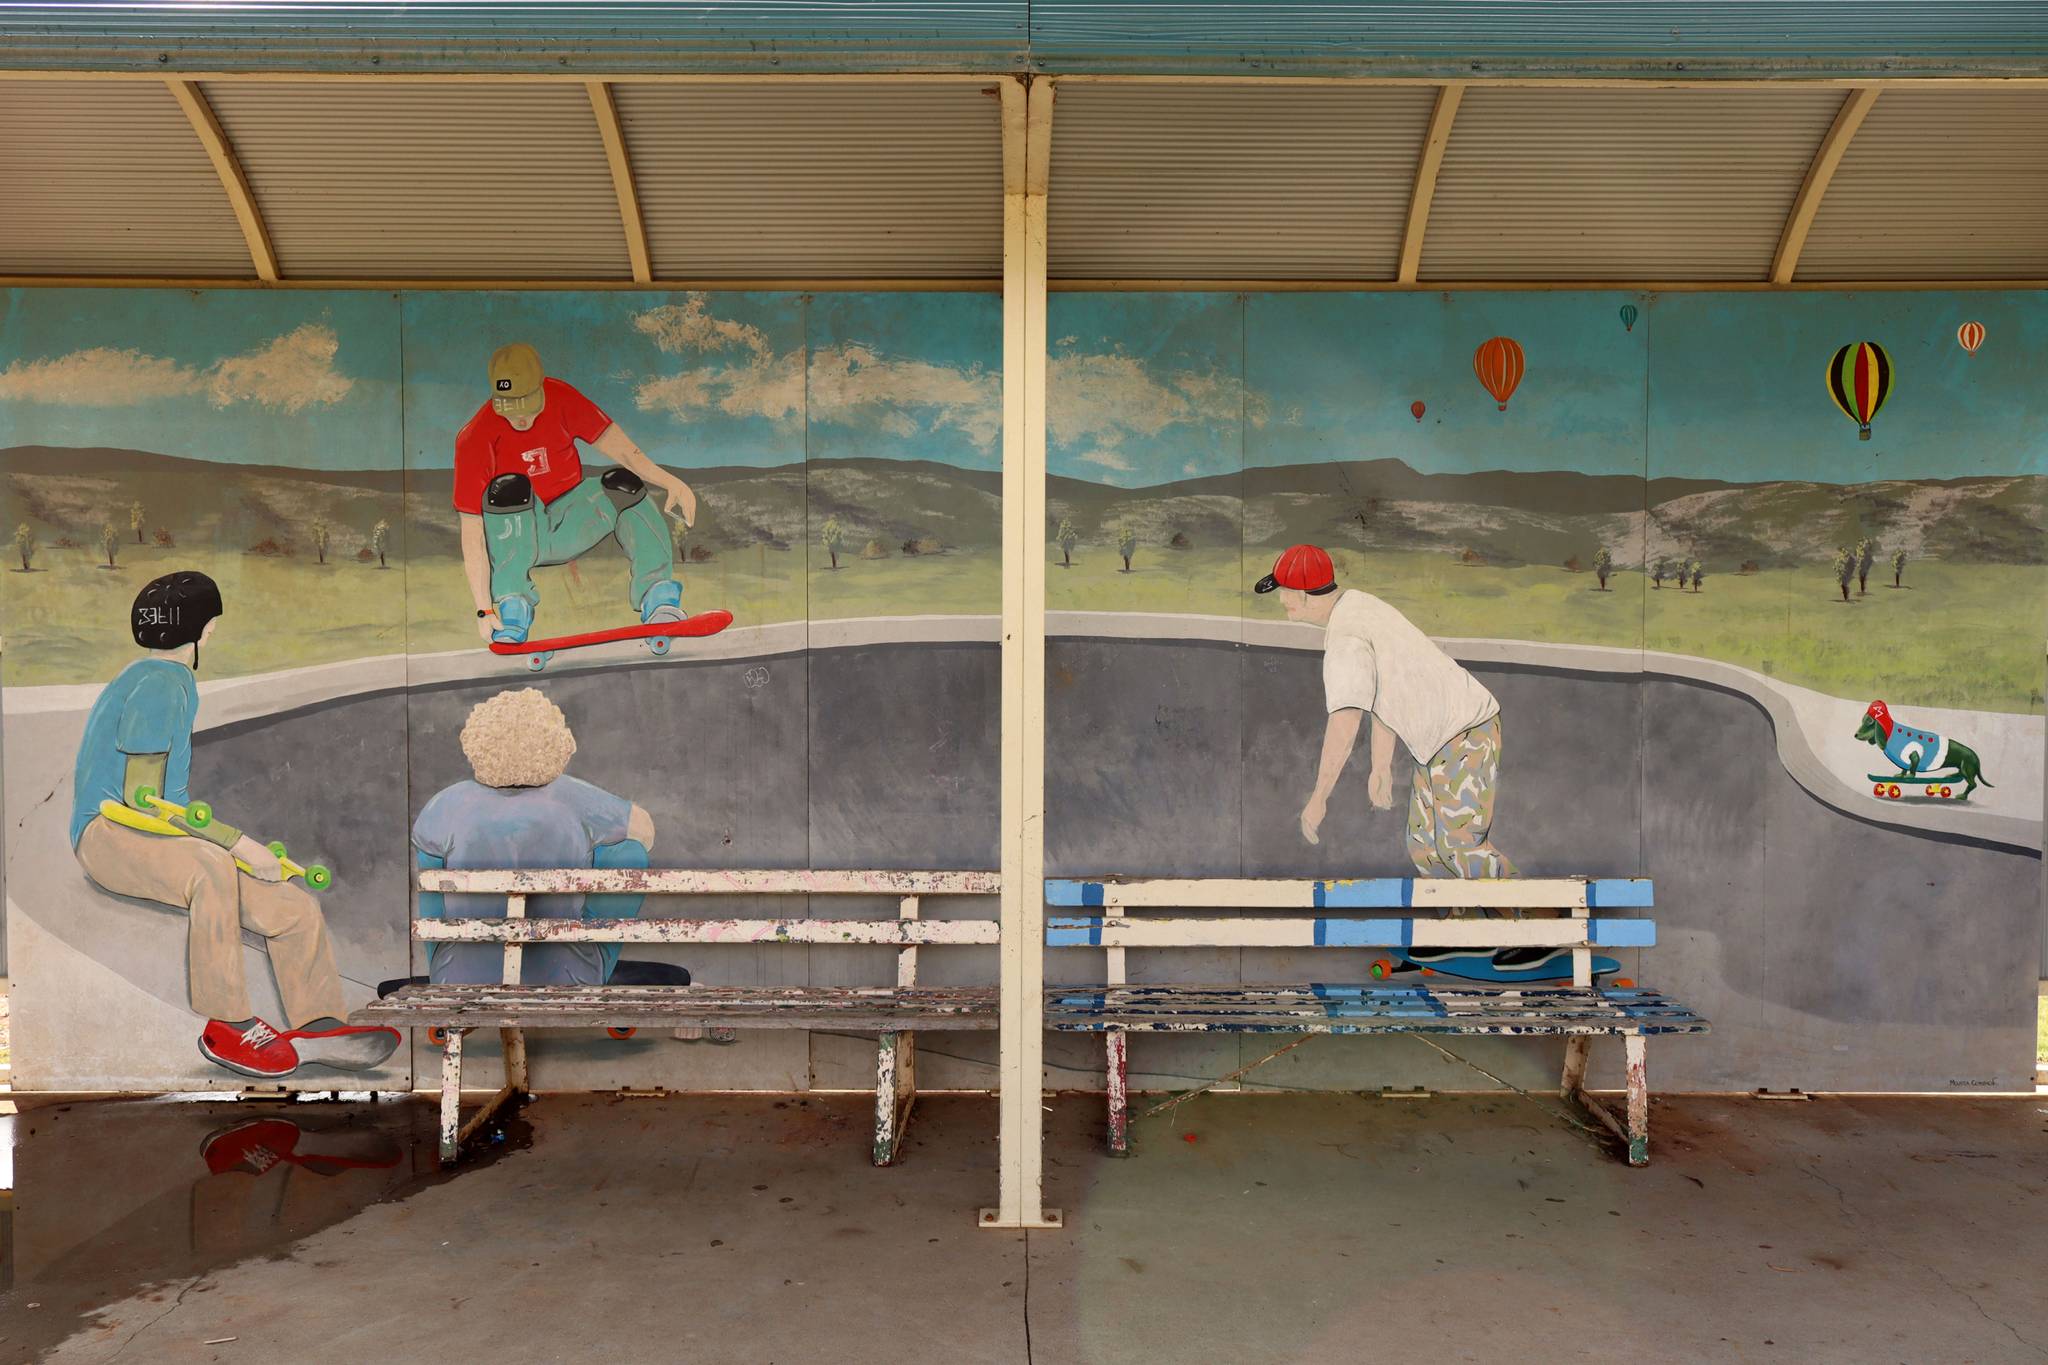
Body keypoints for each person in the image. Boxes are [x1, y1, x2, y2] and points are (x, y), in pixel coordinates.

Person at [71, 572, 402, 1079]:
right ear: (204, 630)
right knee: (210, 867)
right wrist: (239, 844)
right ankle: (228, 1023)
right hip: (108, 835)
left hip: (156, 834)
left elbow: (160, 807)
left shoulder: (170, 679)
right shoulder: (158, 684)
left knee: (294, 908)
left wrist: (236, 849)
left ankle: (318, 1024)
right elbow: (141, 802)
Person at [1259, 544, 1517, 879]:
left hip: (1463, 733)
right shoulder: (1357, 604)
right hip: (1441, 740)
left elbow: (1345, 722)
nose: (1281, 600)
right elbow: (1387, 691)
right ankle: (1461, 925)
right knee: (1425, 850)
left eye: (1285, 591)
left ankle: (1544, 917)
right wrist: (1380, 766)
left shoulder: (1346, 639)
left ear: (1306, 596)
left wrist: (1319, 797)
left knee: (1461, 849)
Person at [410, 688, 686, 988]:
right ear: (556, 740)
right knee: (630, 853)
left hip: (457, 979)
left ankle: (452, 965)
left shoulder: (445, 805)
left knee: (432, 871)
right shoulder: (576, 797)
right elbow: (645, 832)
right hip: (567, 978)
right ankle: (587, 955)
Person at [455, 342, 698, 646]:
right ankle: (512, 610)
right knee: (508, 488)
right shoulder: (474, 437)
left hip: (573, 518)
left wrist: (671, 482)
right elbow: (472, 532)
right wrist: (483, 609)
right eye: (509, 408)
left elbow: (622, 448)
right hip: (521, 534)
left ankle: (659, 598)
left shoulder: (562, 397)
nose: (519, 419)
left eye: (527, 405)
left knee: (623, 485)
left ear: (540, 388)